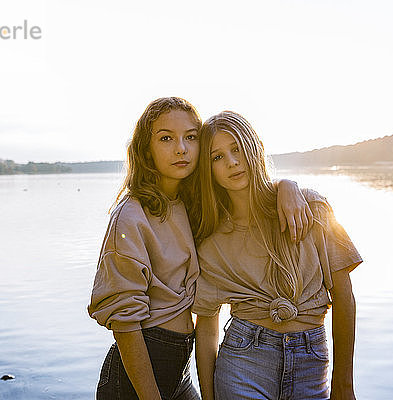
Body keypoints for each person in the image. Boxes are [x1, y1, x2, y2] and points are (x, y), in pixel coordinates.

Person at [87, 98, 311, 400]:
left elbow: (249, 196)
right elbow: (125, 323)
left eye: (190, 137)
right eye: (166, 138)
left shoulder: (190, 205)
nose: (181, 148)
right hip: (138, 374)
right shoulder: (131, 217)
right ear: (146, 150)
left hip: (178, 370)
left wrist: (287, 185)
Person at [193, 111, 363, 400]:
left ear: (254, 148)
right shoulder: (212, 241)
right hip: (242, 363)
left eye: (237, 149)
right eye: (217, 157)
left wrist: (344, 383)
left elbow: (344, 296)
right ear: (208, 170)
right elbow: (207, 323)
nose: (232, 162)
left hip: (311, 363)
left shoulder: (311, 209)